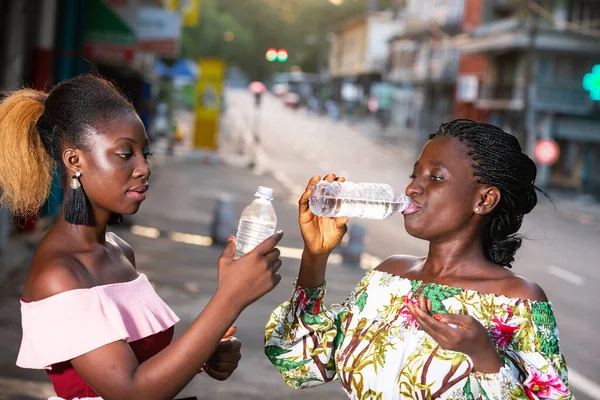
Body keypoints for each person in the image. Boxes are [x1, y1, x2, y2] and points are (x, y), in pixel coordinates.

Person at [0, 74, 284, 400]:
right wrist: (229, 299)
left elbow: (138, 365)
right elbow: (132, 392)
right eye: (125, 154)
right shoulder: (58, 275)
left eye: (144, 154)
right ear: (74, 160)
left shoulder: (119, 251)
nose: (144, 169)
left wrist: (201, 353)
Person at [265, 119, 572, 399]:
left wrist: (484, 358)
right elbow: (300, 363)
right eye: (414, 175)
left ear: (484, 199)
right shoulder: (388, 277)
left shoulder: (517, 299)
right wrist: (315, 257)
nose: (412, 188)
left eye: (436, 177)